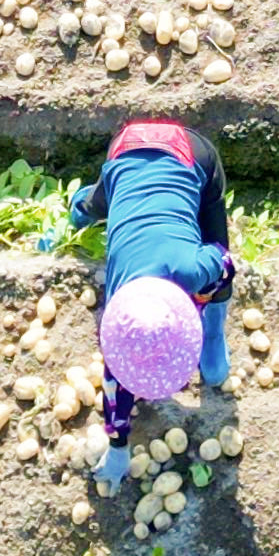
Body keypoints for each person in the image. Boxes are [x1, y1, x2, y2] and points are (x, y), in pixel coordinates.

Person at [67, 119, 238, 491]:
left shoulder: (193, 269)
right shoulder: (122, 321)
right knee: (95, 204)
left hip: (190, 154)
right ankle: (78, 205)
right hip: (123, 159)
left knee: (213, 229)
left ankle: (212, 337)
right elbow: (114, 389)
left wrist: (204, 300)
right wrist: (118, 447)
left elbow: (226, 264)